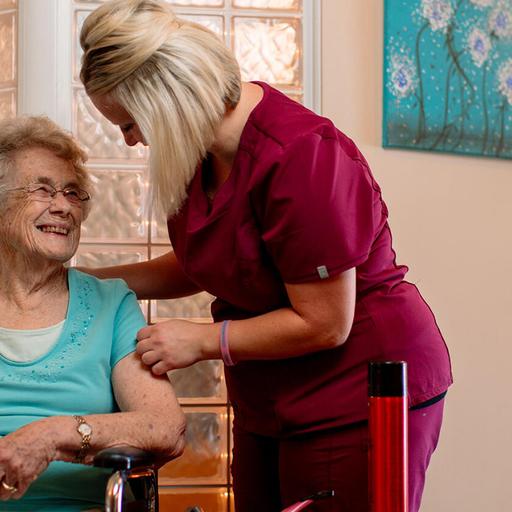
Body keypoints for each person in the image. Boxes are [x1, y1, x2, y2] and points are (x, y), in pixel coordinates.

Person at [79, 1, 453, 510]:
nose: (130, 141)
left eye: (129, 123)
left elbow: (325, 321)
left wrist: (203, 340)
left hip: (358, 390)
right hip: (271, 399)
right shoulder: (202, 155)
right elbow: (205, 260)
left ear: (169, 102)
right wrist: (85, 282)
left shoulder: (303, 155)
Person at [0, 115, 186, 511]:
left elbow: (165, 426)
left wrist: (50, 436)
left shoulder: (110, 304)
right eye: (43, 190)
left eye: (72, 193)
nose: (63, 207)